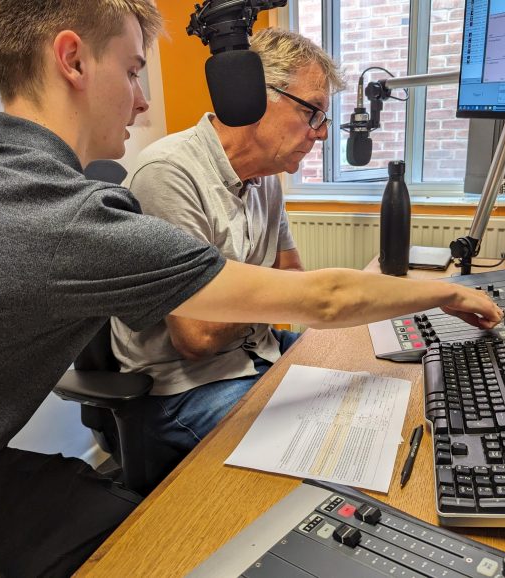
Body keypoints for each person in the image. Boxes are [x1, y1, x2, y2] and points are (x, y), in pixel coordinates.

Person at [0, 0, 501, 575]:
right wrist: (448, 293)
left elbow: (292, 285)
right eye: (135, 71)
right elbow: (312, 301)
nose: (143, 102)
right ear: (74, 60)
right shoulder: (70, 217)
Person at [111, 28, 345, 479]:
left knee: (362, 381)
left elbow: (291, 274)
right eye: (312, 112)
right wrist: (279, 290)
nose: (320, 134)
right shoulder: (168, 174)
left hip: (258, 353)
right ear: (254, 95)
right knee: (323, 458)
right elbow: (198, 337)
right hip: (187, 388)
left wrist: (259, 291)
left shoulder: (267, 177)